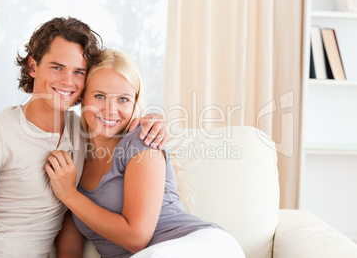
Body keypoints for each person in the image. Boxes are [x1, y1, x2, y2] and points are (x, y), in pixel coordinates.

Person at [0, 17, 166, 258]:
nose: (67, 81)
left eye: (78, 72)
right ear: (33, 67)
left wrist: (152, 122)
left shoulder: (83, 131)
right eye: (57, 67)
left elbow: (70, 216)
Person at [46, 49, 245, 257]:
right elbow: (69, 250)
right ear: (83, 99)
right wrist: (69, 194)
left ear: (135, 103)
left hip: (199, 245)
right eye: (99, 96)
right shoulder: (73, 164)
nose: (110, 110)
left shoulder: (142, 140)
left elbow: (136, 239)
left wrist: (69, 195)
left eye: (123, 99)